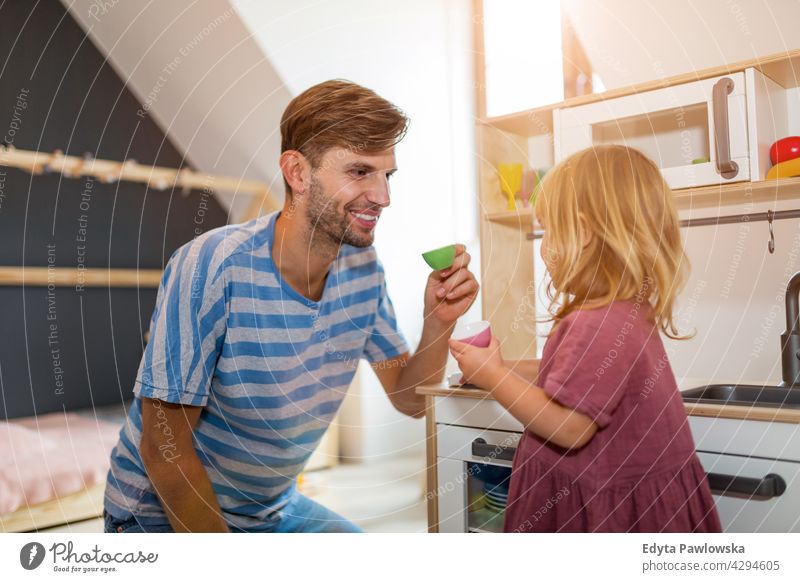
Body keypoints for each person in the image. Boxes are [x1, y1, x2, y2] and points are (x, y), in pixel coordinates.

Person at [103, 80, 479, 533]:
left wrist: (437, 321)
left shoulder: (362, 269)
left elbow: (410, 400)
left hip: (270, 509)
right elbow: (163, 450)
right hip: (157, 510)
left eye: (387, 175)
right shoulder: (211, 265)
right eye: (360, 171)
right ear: (298, 173)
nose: (383, 197)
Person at [449, 145, 721, 533]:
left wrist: (494, 378)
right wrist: (501, 366)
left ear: (584, 232)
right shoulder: (622, 311)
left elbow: (570, 428)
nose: (542, 250)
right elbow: (569, 376)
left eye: (546, 231)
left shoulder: (599, 322)